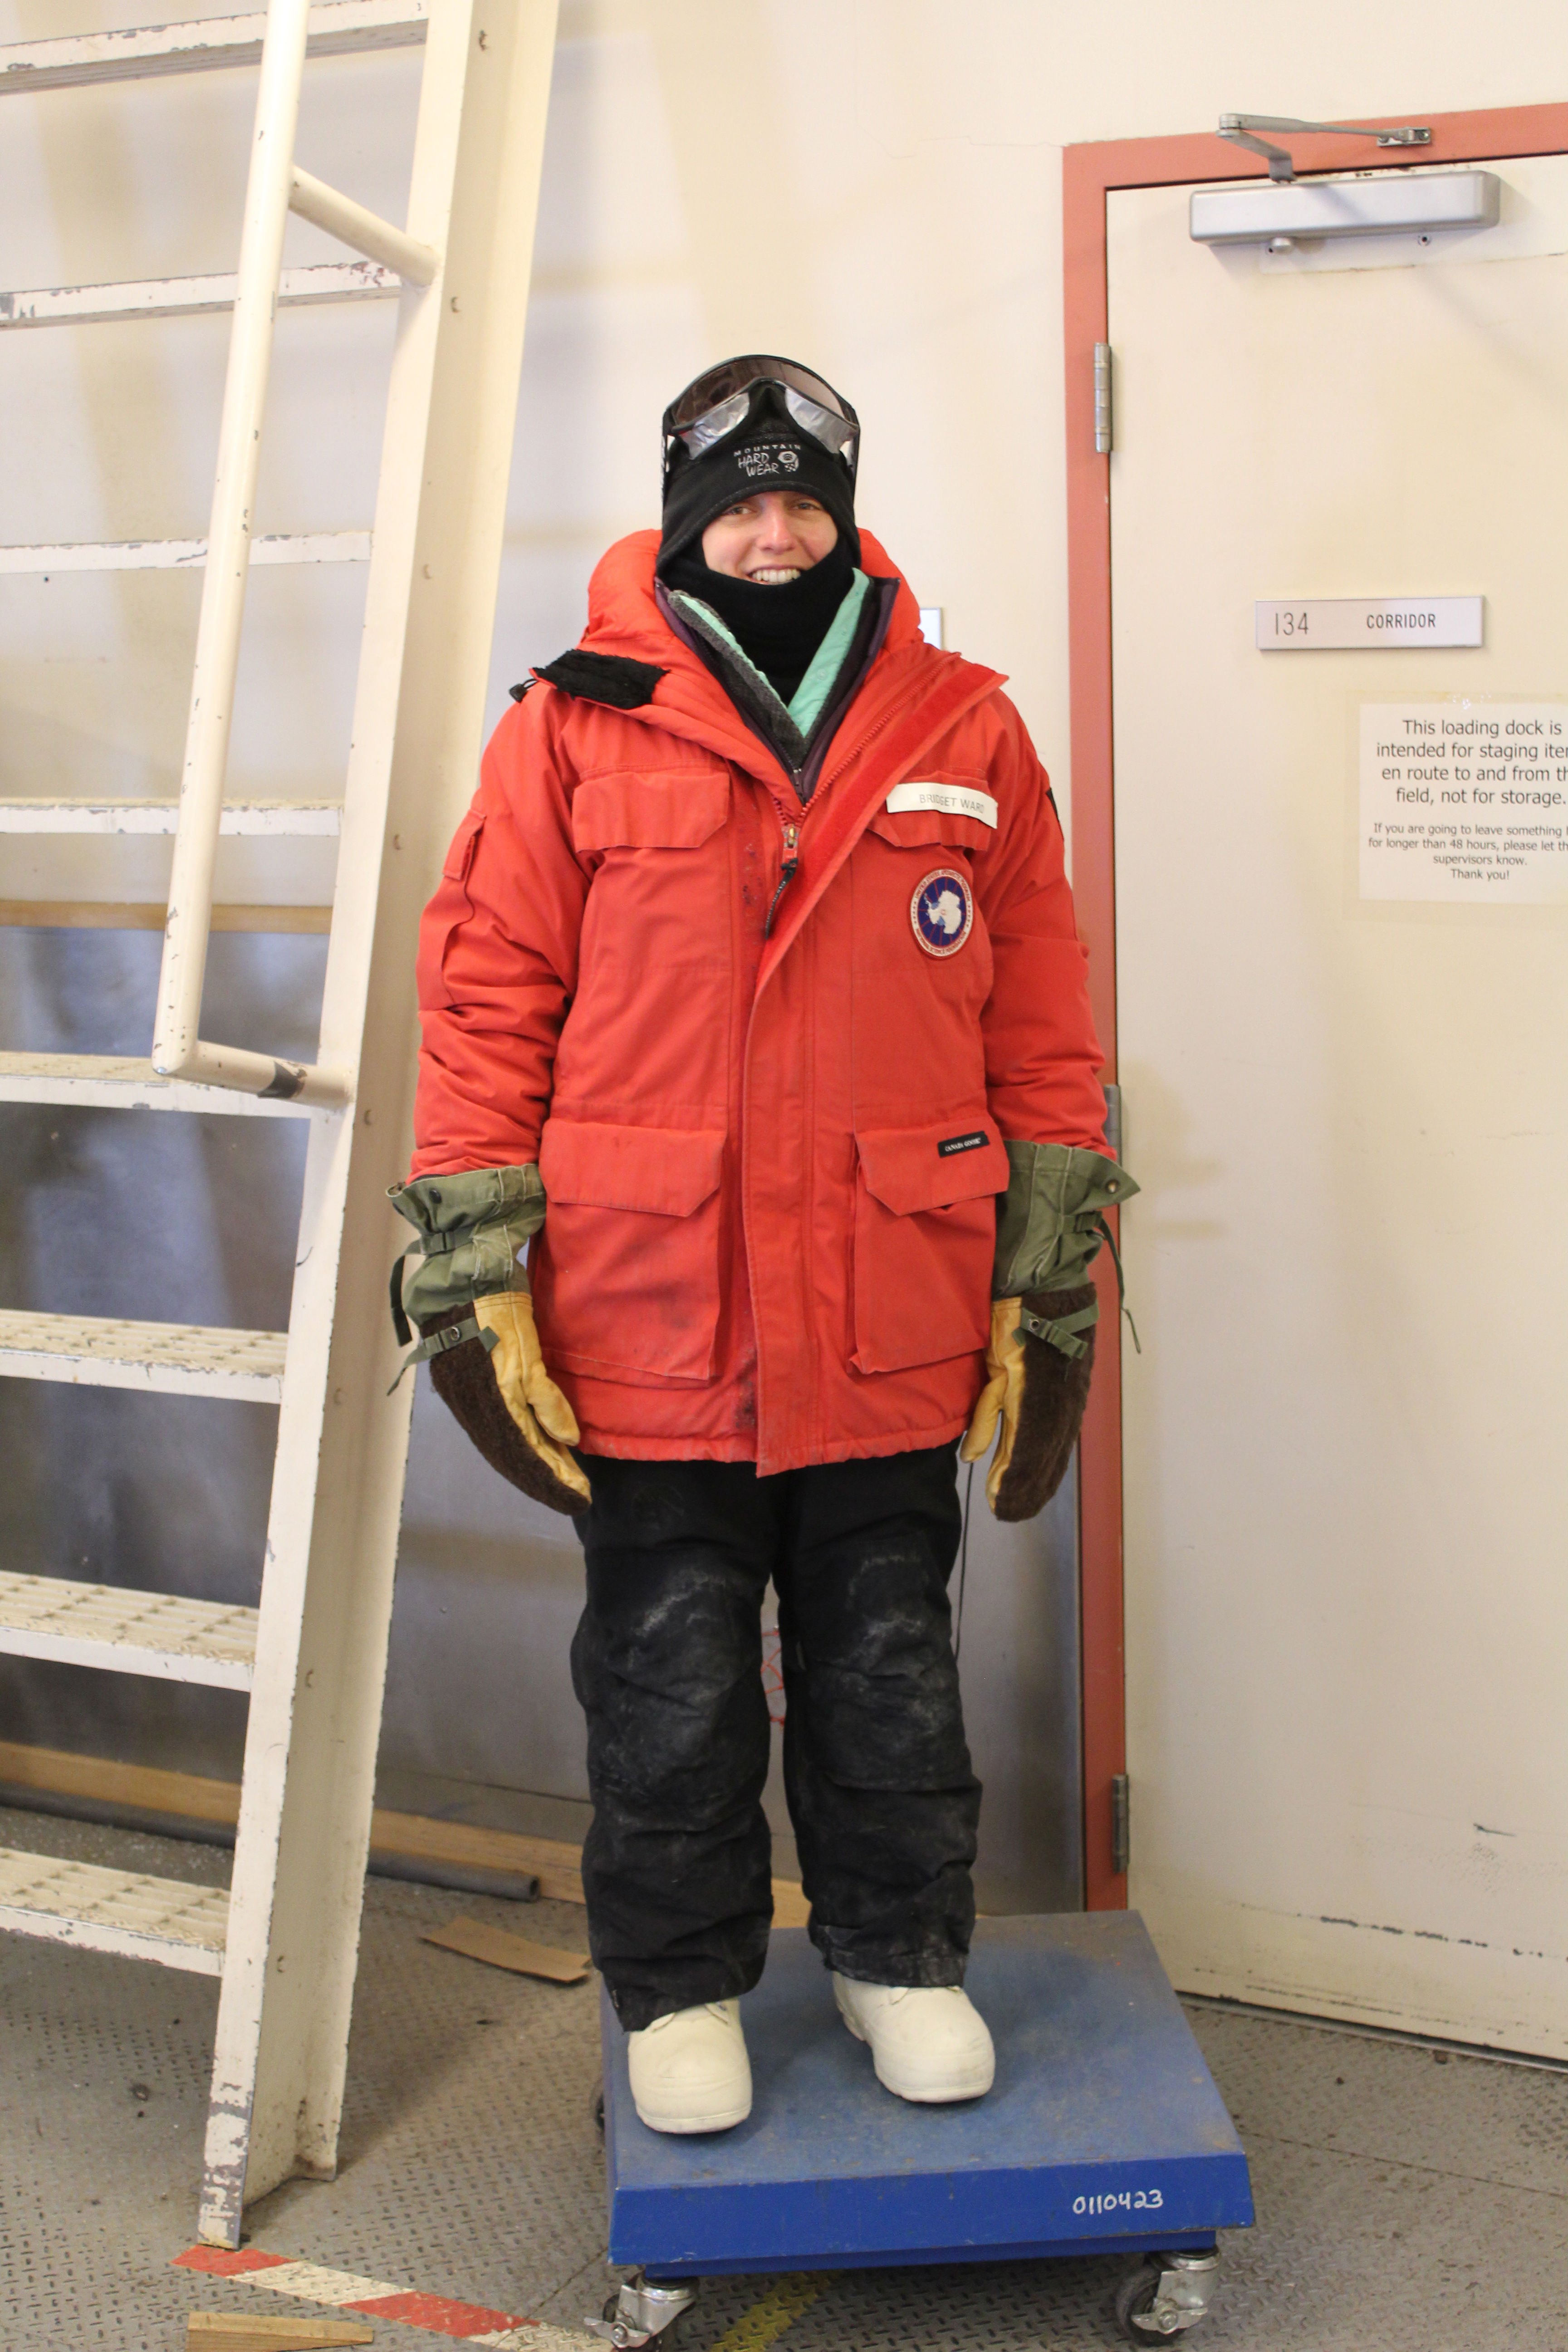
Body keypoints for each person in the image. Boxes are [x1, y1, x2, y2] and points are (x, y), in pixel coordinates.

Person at [389, 357, 1134, 2136]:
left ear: (847, 515)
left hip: (890, 1296)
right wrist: (473, 1256)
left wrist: (1050, 1259)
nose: (777, 532)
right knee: (671, 1679)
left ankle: (901, 1957)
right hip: (652, 1305)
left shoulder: (968, 725)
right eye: (743, 503)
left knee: (890, 1665)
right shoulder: (570, 725)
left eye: (807, 500)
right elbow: (485, 998)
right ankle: (680, 1987)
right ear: (685, 519)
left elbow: (1040, 1011)